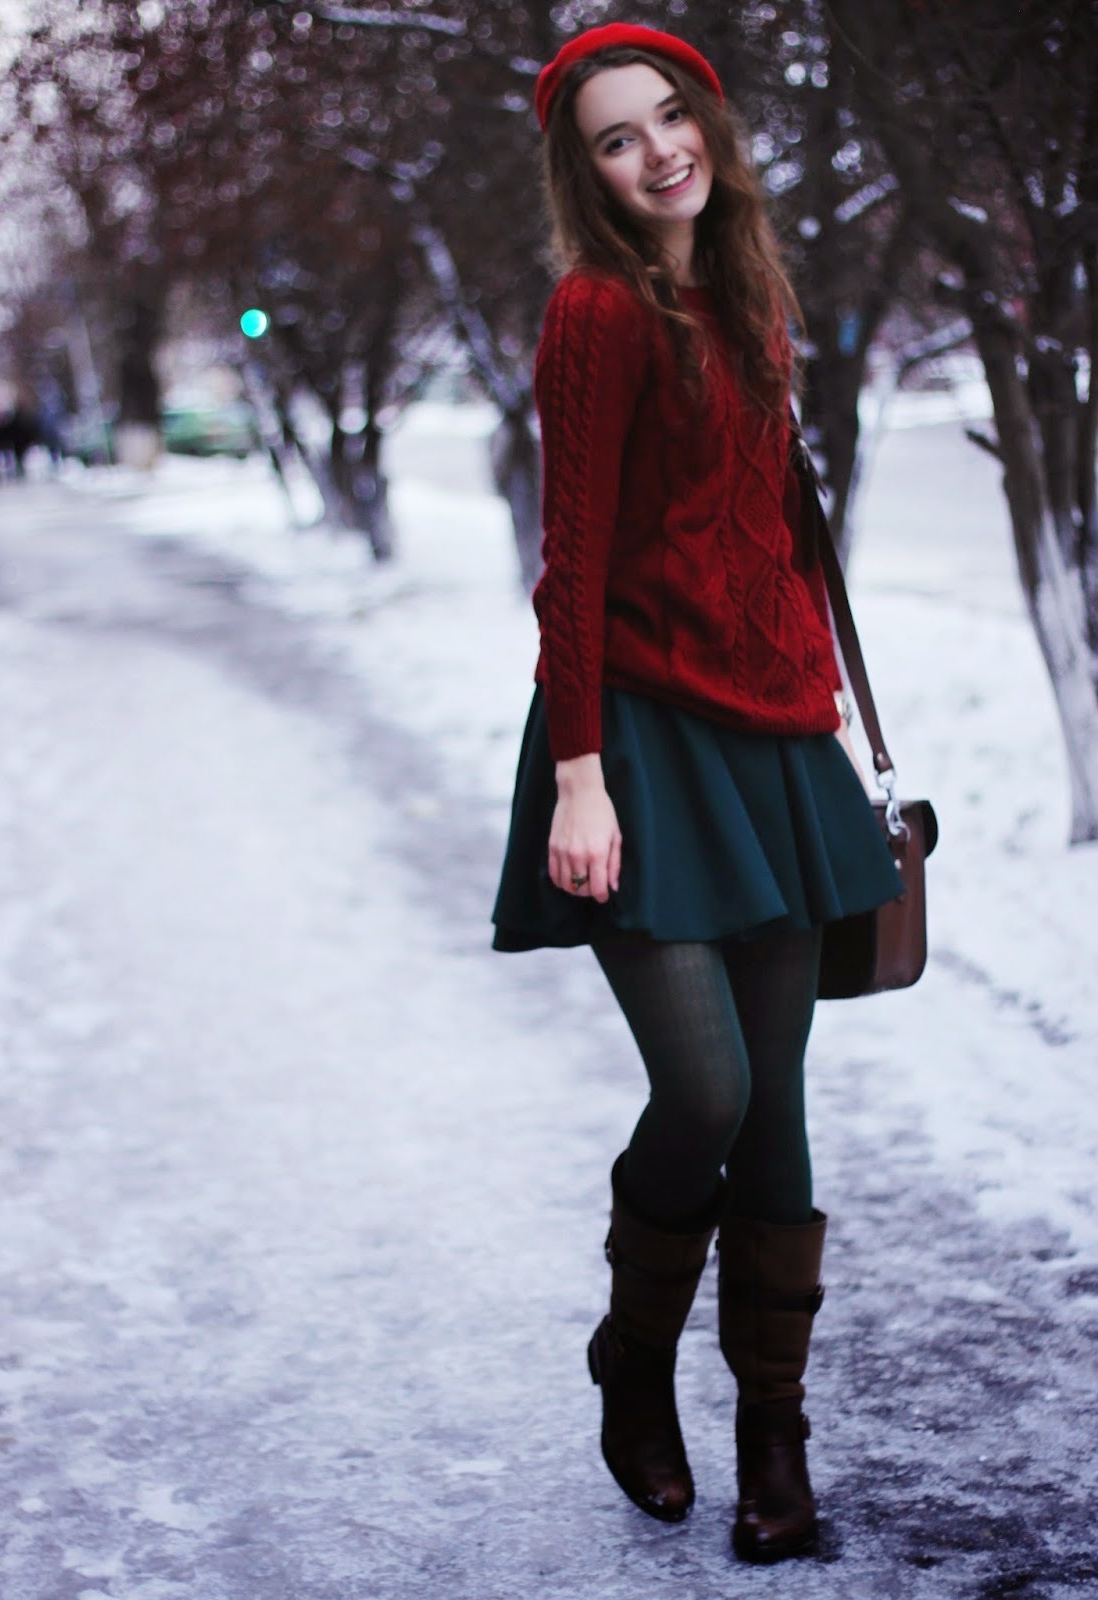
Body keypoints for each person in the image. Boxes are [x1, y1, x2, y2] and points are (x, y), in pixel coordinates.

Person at [491, 23, 903, 1564]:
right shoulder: (595, 313)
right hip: (642, 744)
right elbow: (575, 559)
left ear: (706, 120)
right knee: (709, 1088)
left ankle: (773, 1444)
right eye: (616, 136)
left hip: (775, 735)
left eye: (671, 115)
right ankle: (632, 1356)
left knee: (781, 1106)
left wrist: (820, 694)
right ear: (582, 170)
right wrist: (580, 779)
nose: (658, 148)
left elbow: (774, 522)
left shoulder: (746, 289)